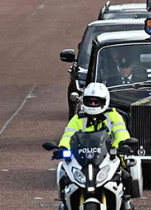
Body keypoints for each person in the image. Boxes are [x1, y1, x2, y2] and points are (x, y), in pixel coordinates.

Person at [57, 82, 133, 210]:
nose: (92, 104)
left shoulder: (113, 116)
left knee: (126, 176)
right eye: (89, 101)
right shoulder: (78, 118)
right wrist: (63, 147)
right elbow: (68, 135)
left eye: (96, 102)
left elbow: (121, 132)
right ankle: (65, 203)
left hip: (109, 156)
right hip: (82, 158)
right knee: (64, 177)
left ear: (104, 101)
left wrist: (123, 144)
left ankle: (125, 201)